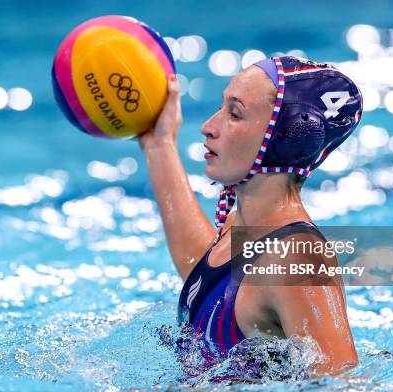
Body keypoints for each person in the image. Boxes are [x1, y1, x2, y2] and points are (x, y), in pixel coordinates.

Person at [139, 55, 362, 377]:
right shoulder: (245, 232)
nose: (208, 127)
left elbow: (343, 382)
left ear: (286, 138)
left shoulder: (297, 256)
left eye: (234, 113)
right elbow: (207, 282)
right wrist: (159, 145)